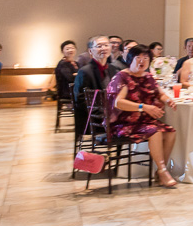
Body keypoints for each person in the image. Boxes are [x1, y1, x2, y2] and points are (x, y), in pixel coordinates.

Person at [107, 45, 178, 188]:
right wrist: (143, 107)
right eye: (138, 58)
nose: (142, 61)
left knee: (171, 132)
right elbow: (118, 102)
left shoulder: (148, 77)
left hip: (143, 121)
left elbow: (160, 94)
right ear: (130, 59)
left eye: (145, 58)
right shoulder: (123, 76)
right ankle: (163, 171)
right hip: (124, 122)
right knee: (155, 132)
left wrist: (168, 100)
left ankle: (160, 170)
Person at [73, 36, 117, 138]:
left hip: (112, 113)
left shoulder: (114, 69)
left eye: (106, 45)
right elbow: (80, 99)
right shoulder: (85, 71)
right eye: (99, 46)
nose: (104, 48)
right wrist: (103, 113)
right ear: (90, 51)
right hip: (94, 118)